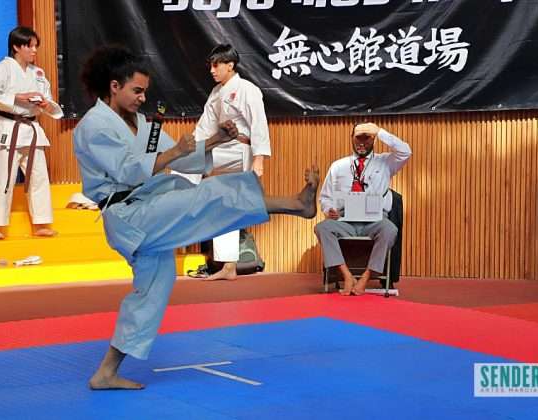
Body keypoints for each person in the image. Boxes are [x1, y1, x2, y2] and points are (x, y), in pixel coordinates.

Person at [73, 46, 318, 390]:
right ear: (114, 86)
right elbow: (128, 171)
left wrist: (216, 139)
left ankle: (106, 372)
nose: (143, 98)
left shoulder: (143, 125)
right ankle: (295, 204)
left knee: (152, 292)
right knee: (209, 196)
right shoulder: (93, 126)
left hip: (148, 208)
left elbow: (182, 159)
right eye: (137, 91)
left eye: (145, 91)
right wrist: (174, 151)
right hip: (129, 214)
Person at [193, 44, 272, 281]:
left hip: (240, 149)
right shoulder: (216, 93)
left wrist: (259, 159)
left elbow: (259, 123)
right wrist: (193, 149)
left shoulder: (247, 89)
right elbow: (205, 126)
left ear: (230, 65)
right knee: (224, 204)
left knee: (229, 201)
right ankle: (228, 265)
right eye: (211, 65)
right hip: (221, 148)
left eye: (217, 65)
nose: (212, 70)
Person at [0, 26, 63, 240]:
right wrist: (17, 97)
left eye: (36, 46)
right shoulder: (2, 69)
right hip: (7, 127)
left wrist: (45, 104)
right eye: (30, 46)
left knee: (39, 176)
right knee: (2, 176)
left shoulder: (38, 73)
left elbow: (48, 100)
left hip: (32, 129)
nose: (34, 50)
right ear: (17, 47)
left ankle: (41, 224)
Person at [315, 122, 411, 296]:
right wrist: (329, 210)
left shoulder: (385, 162)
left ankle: (365, 278)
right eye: (358, 138)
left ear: (374, 139)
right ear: (352, 138)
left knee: (390, 230)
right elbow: (325, 197)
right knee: (322, 228)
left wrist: (380, 132)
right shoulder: (338, 166)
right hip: (345, 220)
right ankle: (347, 275)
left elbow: (406, 151)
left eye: (367, 138)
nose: (362, 143)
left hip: (375, 220)